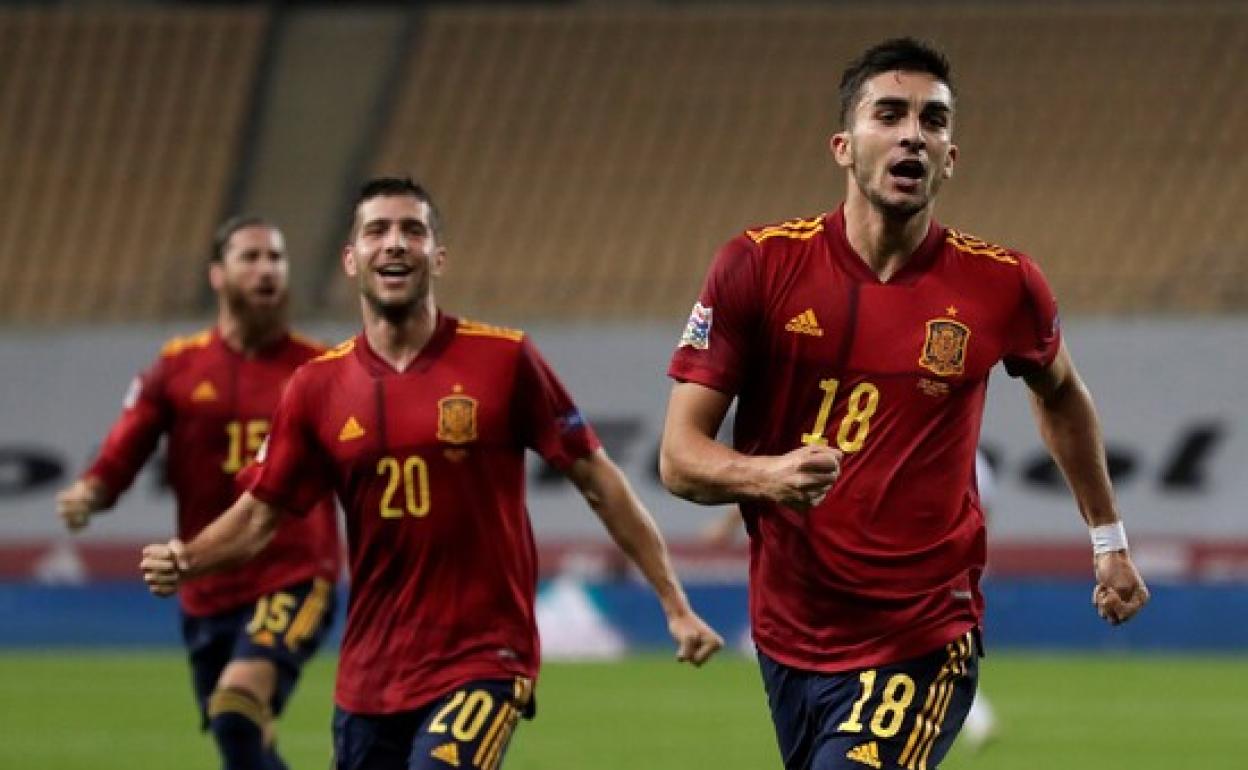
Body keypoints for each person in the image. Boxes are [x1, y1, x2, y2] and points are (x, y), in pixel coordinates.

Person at [659, 38, 1148, 770]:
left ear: (950, 156)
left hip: (922, 639)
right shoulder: (757, 266)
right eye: (888, 114)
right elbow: (679, 459)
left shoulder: (1003, 284)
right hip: (791, 637)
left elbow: (1063, 395)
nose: (912, 132)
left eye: (933, 120)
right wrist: (767, 477)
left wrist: (1108, 541)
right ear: (843, 146)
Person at [140, 177, 724, 770]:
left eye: (412, 230)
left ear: (437, 256)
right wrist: (189, 558)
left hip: (484, 657)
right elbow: (259, 517)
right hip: (371, 672)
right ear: (351, 259)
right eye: (377, 231)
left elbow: (599, 481)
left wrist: (673, 602)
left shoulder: (504, 360)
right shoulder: (316, 386)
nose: (395, 243)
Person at [57, 216, 341, 770]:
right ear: (218, 274)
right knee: (238, 738)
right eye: (250, 257)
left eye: (276, 259)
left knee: (236, 704)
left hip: (294, 573)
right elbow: (126, 445)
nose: (267, 270)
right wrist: (92, 492)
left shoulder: (318, 368)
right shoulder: (179, 367)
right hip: (205, 583)